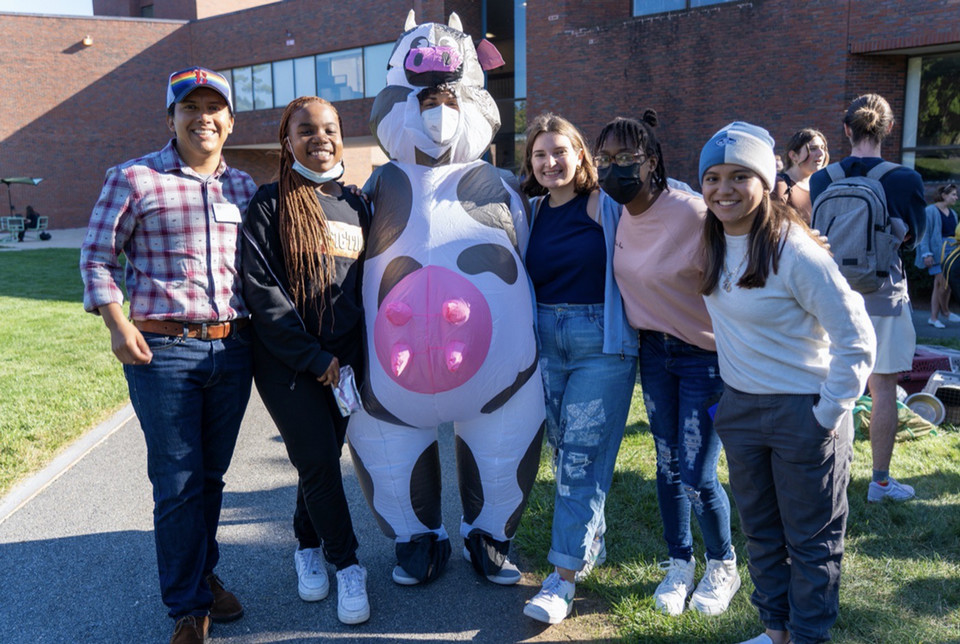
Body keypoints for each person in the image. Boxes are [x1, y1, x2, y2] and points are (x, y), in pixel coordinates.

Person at [347, 11, 544, 588]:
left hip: (501, 377)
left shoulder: (506, 187)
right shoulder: (372, 192)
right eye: (423, 99)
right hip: (387, 385)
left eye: (451, 100)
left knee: (504, 450)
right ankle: (416, 539)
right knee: (389, 455)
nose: (437, 116)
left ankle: (490, 535)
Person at [80, 66, 257, 644]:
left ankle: (201, 575)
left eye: (214, 107)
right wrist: (115, 323)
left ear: (229, 121)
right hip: (163, 352)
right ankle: (188, 607)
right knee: (177, 480)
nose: (202, 117)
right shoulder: (134, 178)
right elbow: (97, 258)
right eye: (190, 107)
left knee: (211, 476)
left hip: (231, 350)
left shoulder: (245, 188)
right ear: (171, 118)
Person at [698, 121, 875, 644]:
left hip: (804, 412)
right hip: (741, 410)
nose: (723, 189)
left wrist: (828, 412)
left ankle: (807, 636)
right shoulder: (711, 237)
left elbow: (857, 336)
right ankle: (776, 632)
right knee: (762, 534)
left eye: (739, 177)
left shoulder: (796, 250)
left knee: (811, 542)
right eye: (712, 177)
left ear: (765, 180)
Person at [599, 112, 741, 617]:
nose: (613, 168)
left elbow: (746, 252)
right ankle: (679, 560)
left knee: (699, 471)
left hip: (704, 357)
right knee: (666, 464)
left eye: (625, 159)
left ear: (651, 162)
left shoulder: (690, 211)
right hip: (654, 354)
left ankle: (723, 562)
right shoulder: (617, 216)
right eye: (605, 159)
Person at [241, 96, 371, 625]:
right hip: (289, 363)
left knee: (315, 462)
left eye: (330, 128)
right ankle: (348, 565)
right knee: (318, 461)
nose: (320, 137)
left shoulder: (358, 204)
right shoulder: (270, 204)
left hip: (345, 362)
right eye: (306, 130)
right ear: (287, 140)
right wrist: (314, 357)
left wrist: (349, 358)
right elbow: (262, 292)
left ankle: (305, 546)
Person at [518, 113, 638, 624]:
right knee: (564, 449)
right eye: (540, 154)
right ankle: (590, 542)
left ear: (580, 154)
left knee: (578, 463)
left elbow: (672, 204)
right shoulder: (529, 212)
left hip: (600, 345)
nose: (550, 162)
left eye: (559, 151)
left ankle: (561, 581)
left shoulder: (606, 205)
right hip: (544, 344)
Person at [810, 93, 926, 503]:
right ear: (888, 129)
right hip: (883, 297)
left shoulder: (823, 179)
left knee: (830, 387)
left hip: (829, 298)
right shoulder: (905, 179)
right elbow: (910, 240)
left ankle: (826, 475)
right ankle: (879, 483)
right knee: (883, 388)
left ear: (846, 129)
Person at [915, 184, 959, 327]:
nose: (956, 197)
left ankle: (937, 316)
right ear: (944, 195)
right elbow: (925, 234)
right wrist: (926, 253)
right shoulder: (930, 211)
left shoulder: (953, 213)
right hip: (936, 252)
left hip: (950, 252)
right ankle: (941, 314)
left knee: (948, 284)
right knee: (941, 283)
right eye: (953, 194)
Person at [772, 128, 829, 223]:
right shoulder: (780, 185)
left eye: (823, 148)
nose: (821, 153)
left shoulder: (823, 187)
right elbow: (772, 229)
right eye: (813, 149)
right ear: (794, 156)